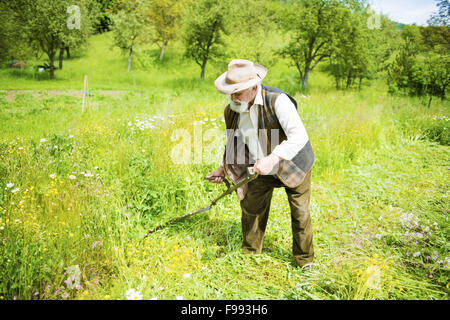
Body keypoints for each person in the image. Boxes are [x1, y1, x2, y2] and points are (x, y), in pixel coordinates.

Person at [206, 59, 316, 268]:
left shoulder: (278, 100)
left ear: (253, 87)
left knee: (300, 212)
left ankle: (305, 261)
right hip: (259, 166)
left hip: (292, 163)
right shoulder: (231, 111)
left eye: (237, 92)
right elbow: (234, 142)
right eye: (231, 92)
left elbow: (299, 136)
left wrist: (273, 158)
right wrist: (223, 168)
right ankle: (249, 254)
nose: (233, 97)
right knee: (251, 207)